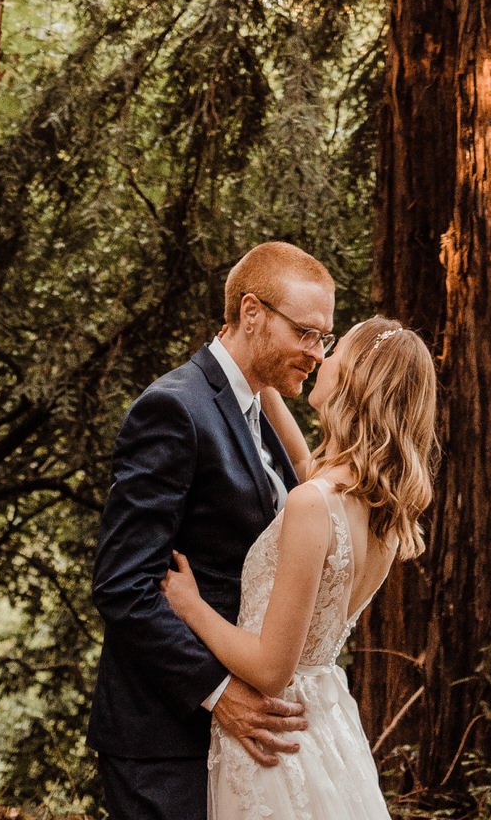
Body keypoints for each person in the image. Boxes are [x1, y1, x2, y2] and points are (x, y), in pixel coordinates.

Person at [89, 242, 338, 820]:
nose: (317, 354)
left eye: (324, 338)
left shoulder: (256, 409)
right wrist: (217, 691)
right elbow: (123, 583)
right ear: (251, 313)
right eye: (305, 333)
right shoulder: (174, 409)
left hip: (230, 740)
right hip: (163, 739)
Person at [160, 314, 437, 820]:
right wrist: (253, 371)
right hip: (322, 721)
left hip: (274, 733)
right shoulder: (375, 505)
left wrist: (191, 606)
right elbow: (306, 463)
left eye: (335, 352)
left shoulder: (314, 503)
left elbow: (270, 669)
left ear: (355, 380)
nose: (320, 358)